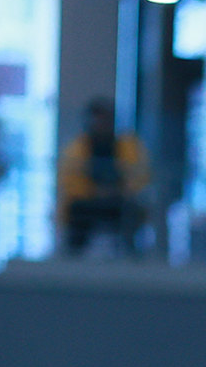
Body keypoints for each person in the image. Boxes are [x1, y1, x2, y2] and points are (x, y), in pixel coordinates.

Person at [57, 97, 151, 255]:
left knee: (131, 213)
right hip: (88, 201)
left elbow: (141, 175)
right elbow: (68, 178)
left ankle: (132, 256)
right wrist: (94, 191)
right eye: (98, 119)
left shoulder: (128, 147)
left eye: (106, 119)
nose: (102, 124)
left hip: (119, 201)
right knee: (77, 212)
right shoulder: (77, 148)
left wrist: (118, 190)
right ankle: (72, 257)